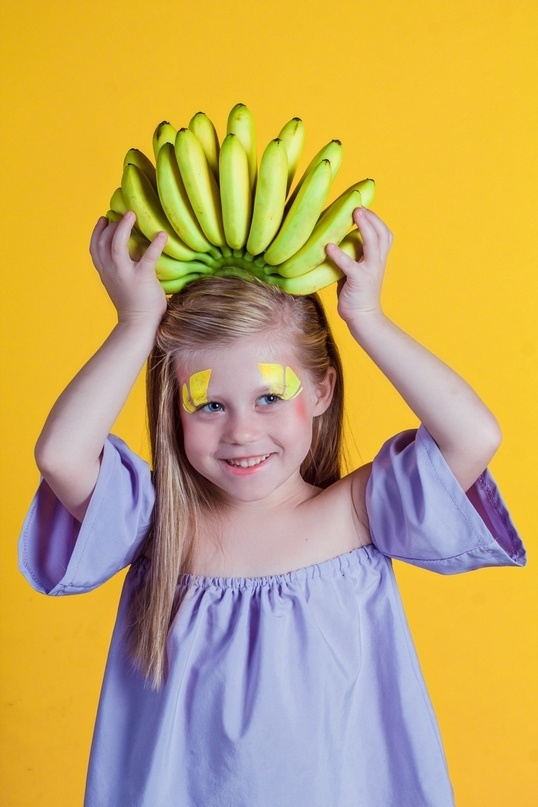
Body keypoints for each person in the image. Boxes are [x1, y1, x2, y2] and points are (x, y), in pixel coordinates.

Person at [18, 206, 526, 807]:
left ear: (321, 391)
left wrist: (367, 317)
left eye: (268, 396)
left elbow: (474, 437)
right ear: (172, 409)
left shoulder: (356, 514)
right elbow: (60, 455)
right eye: (208, 405)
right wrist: (135, 323)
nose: (242, 432)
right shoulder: (158, 525)